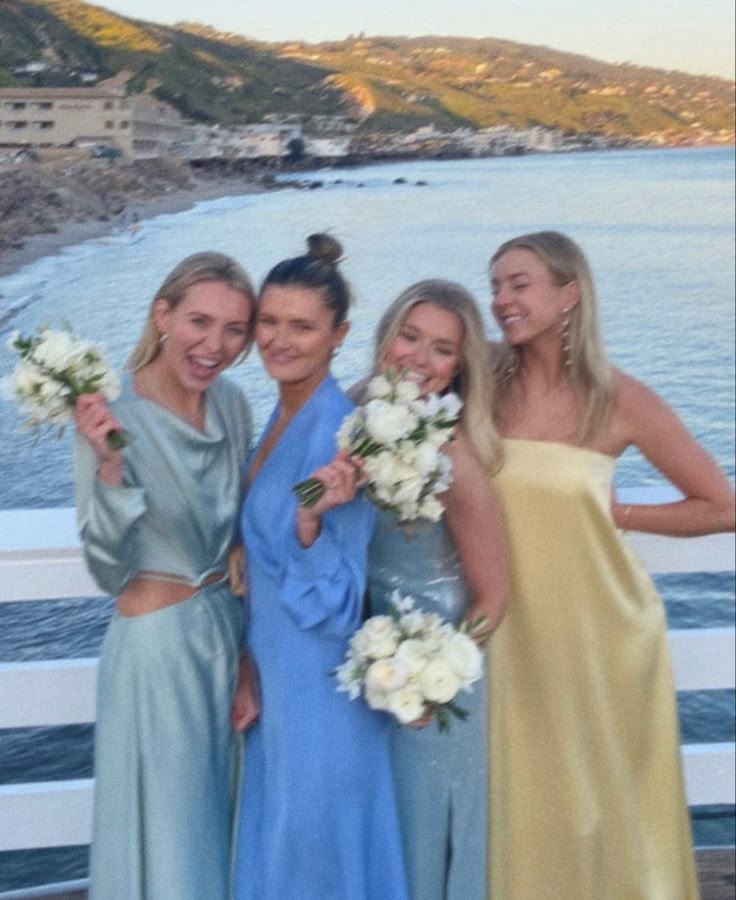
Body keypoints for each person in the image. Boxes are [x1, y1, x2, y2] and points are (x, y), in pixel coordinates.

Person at [485, 230, 735, 900]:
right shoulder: (482, 386)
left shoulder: (618, 397)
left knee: (599, 805)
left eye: (518, 283)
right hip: (505, 633)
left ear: (570, 294)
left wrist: (621, 515)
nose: (501, 299)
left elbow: (720, 505)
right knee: (522, 800)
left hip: (599, 632)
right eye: (495, 286)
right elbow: (389, 390)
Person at [74, 252, 257, 900]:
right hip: (157, 656)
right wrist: (108, 467)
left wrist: (245, 661)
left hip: (224, 642)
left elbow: (244, 533)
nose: (215, 345)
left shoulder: (233, 405)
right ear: (163, 314)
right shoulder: (112, 412)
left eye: (235, 329)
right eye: (199, 322)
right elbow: (108, 570)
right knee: (173, 839)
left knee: (224, 826)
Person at [232, 234, 408, 900]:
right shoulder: (281, 416)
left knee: (312, 863)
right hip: (275, 677)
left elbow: (335, 602)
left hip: (317, 687)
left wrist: (306, 525)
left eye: (301, 326)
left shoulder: (341, 432)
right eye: (269, 321)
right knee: (287, 853)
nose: (280, 339)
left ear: (339, 335)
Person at [361, 280, 507, 900]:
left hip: (434, 691)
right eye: (410, 337)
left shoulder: (454, 456)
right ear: (385, 336)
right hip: (363, 668)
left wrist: (431, 671)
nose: (419, 360)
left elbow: (492, 599)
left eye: (442, 350)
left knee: (424, 836)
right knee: (376, 835)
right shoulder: (348, 416)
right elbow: (299, 498)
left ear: (459, 368)